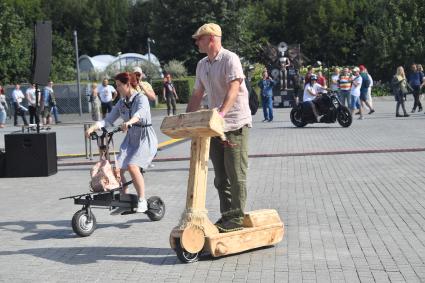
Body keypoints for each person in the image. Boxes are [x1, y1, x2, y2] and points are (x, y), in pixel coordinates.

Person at [186, 23, 252, 233]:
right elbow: (197, 94)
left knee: (236, 175)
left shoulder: (230, 59)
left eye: (200, 38)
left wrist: (221, 113)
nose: (196, 42)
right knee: (220, 178)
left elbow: (234, 87)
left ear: (211, 39)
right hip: (214, 128)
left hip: (234, 124)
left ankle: (237, 218)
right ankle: (227, 217)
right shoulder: (202, 64)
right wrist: (185, 118)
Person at [85, 72, 158, 214]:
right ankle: (125, 199)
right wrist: (94, 126)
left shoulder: (141, 98)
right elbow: (109, 119)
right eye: (116, 85)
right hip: (131, 139)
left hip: (145, 137)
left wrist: (129, 122)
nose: (117, 89)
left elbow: (140, 113)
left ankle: (142, 200)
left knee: (132, 166)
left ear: (128, 84)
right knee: (117, 170)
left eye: (119, 85)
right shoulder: (121, 102)